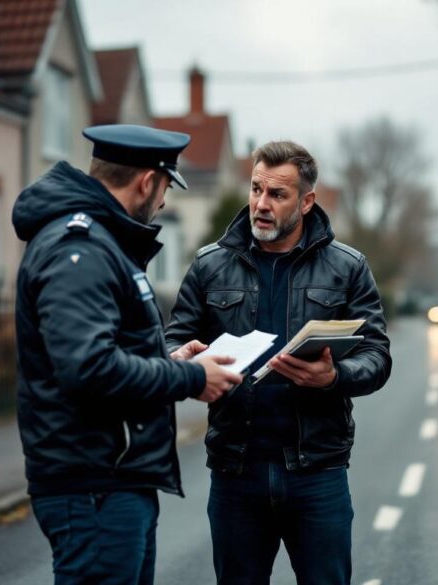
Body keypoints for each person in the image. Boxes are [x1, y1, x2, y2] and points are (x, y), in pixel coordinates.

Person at [12, 124, 243, 585]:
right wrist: (192, 379)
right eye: (164, 189)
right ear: (146, 181)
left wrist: (175, 362)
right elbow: (88, 369)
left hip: (111, 479)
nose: (162, 204)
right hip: (95, 484)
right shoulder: (80, 251)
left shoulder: (103, 246)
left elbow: (107, 351)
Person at [165, 140, 392, 584]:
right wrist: (181, 361)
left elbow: (377, 356)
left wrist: (333, 376)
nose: (260, 204)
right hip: (236, 471)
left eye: (277, 194)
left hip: (317, 473)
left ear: (307, 201)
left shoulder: (347, 268)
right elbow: (175, 339)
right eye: (255, 190)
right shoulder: (210, 265)